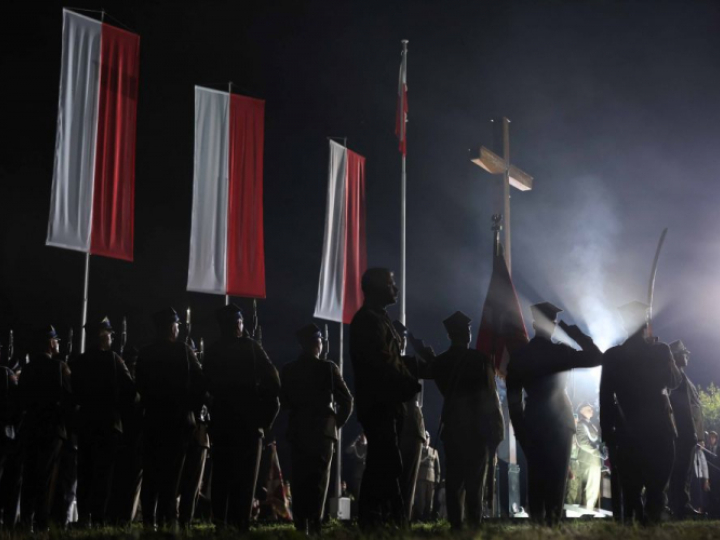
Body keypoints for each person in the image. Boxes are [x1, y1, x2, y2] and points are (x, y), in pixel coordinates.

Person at [507, 302, 602, 526]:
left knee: (537, 480)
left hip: (534, 423)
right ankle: (553, 524)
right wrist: (576, 334)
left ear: (533, 324)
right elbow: (597, 357)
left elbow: (513, 400)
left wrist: (521, 431)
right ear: (554, 325)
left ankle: (538, 526)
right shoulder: (561, 352)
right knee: (557, 481)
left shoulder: (521, 355)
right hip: (560, 422)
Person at [349, 268, 421, 529]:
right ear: (377, 288)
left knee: (381, 463)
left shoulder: (379, 319)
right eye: (391, 284)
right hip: (378, 403)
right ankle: (391, 519)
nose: (396, 289)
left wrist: (417, 368)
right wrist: (409, 383)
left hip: (386, 403)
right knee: (388, 462)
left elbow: (393, 361)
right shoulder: (368, 321)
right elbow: (383, 364)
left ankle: (374, 519)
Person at [600, 301, 682, 525]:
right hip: (659, 430)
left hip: (627, 433)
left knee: (632, 493)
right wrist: (665, 356)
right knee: (656, 491)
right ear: (646, 323)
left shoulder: (612, 356)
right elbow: (674, 381)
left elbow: (605, 399)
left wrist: (608, 437)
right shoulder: (660, 350)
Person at [203, 303, 280, 532]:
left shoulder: (214, 351)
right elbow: (273, 383)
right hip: (249, 425)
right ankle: (240, 526)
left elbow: (205, 387)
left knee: (222, 478)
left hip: (223, 424)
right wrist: (263, 420)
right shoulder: (251, 348)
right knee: (245, 481)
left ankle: (220, 524)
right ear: (238, 324)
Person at [433, 311, 503, 529]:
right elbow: (491, 397)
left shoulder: (441, 362)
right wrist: (497, 430)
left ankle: (456, 525)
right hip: (477, 430)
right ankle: (474, 525)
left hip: (453, 428)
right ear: (466, 333)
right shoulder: (480, 360)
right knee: (475, 483)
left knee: (454, 481)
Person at [280, 323, 353, 534]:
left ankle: (301, 522)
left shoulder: (289, 369)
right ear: (317, 343)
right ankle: (314, 521)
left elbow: (283, 401)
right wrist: (335, 423)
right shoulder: (328, 368)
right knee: (319, 480)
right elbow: (347, 401)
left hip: (299, 429)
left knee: (299, 477)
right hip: (323, 431)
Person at [135, 308, 204, 530]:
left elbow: (140, 386)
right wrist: (191, 410)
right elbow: (199, 384)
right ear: (172, 328)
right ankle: (168, 518)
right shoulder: (184, 351)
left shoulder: (145, 354)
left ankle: (148, 519)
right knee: (172, 475)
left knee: (151, 472)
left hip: (154, 420)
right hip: (178, 422)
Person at [71, 317, 136, 527]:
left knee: (85, 473)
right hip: (108, 424)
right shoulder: (114, 360)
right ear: (102, 335)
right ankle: (97, 518)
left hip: (86, 423)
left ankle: (83, 517)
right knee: (103, 475)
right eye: (109, 333)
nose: (112, 337)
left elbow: (74, 395)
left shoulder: (78, 362)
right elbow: (130, 391)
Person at [18, 325, 72, 532]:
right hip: (52, 429)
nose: (58, 344)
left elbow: (21, 399)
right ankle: (41, 522)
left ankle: (25, 520)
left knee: (29, 474)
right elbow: (69, 398)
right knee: (46, 476)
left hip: (31, 427)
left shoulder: (29, 368)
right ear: (51, 343)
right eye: (56, 341)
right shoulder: (59, 367)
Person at [393, 319, 433, 522]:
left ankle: (399, 523)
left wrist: (416, 343)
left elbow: (434, 367)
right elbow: (433, 365)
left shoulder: (408, 362)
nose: (401, 342)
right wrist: (417, 343)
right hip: (402, 426)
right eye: (400, 339)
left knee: (406, 482)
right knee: (401, 482)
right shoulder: (409, 363)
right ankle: (397, 523)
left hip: (403, 426)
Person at [668, 339, 704, 519]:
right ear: (675, 357)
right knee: (680, 471)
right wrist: (689, 434)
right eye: (683, 353)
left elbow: (695, 408)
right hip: (683, 433)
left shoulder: (683, 377)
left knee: (685, 471)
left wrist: (698, 435)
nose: (687, 356)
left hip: (690, 434)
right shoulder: (676, 377)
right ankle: (679, 506)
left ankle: (681, 504)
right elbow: (682, 409)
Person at [178, 338, 211, 527]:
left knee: (188, 484)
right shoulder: (197, 378)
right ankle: (184, 520)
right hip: (195, 432)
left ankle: (181, 519)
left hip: (193, 432)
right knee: (190, 484)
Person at [575, 403, 602, 510]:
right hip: (588, 460)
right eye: (588, 409)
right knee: (588, 488)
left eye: (591, 409)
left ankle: (588, 512)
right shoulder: (581, 424)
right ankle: (585, 513)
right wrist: (597, 453)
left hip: (594, 461)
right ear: (581, 411)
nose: (591, 410)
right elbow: (582, 443)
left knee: (593, 489)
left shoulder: (590, 424)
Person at [414, 432, 440, 521]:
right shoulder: (419, 450)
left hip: (431, 479)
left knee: (429, 500)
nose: (426, 440)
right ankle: (420, 517)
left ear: (429, 439)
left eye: (427, 437)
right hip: (421, 478)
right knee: (421, 499)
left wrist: (437, 479)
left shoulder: (434, 451)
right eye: (424, 438)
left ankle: (428, 516)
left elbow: (437, 467)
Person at [345, 433, 367, 499]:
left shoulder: (367, 446)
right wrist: (354, 442)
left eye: (364, 436)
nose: (362, 438)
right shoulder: (356, 446)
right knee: (358, 493)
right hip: (358, 474)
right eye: (361, 436)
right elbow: (347, 451)